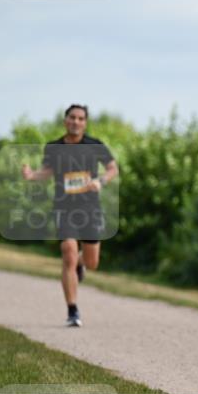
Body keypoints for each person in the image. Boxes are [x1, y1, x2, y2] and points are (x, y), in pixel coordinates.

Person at [22, 104, 119, 327]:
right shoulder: (53, 147)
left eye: (80, 118)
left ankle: (80, 264)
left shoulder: (95, 145)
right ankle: (72, 310)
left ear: (85, 123)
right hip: (64, 207)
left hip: (90, 208)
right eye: (72, 117)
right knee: (68, 252)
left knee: (92, 262)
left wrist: (101, 181)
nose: (76, 121)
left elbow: (113, 169)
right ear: (65, 120)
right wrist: (32, 175)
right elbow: (48, 171)